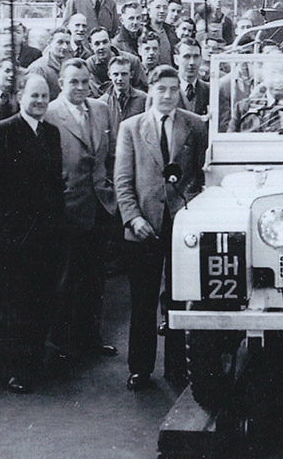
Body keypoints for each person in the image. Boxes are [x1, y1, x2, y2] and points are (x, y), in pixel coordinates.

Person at [0, 74, 67, 393]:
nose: (40, 101)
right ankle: (14, 370)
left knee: (41, 300)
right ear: (20, 96)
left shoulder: (50, 133)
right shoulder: (0, 132)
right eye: (34, 96)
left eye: (44, 96)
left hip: (46, 236)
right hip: (11, 238)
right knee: (14, 304)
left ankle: (34, 362)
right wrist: (7, 224)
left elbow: (54, 185)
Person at [115, 65, 208, 390]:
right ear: (151, 90)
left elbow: (200, 174)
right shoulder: (131, 128)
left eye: (173, 89)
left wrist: (191, 208)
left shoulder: (194, 125)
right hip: (144, 226)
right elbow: (123, 181)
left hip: (182, 226)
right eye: (162, 89)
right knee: (142, 300)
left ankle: (177, 368)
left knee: (180, 297)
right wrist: (133, 217)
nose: (168, 96)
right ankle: (140, 368)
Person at [44, 58, 119, 360]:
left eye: (84, 81)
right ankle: (62, 343)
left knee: (94, 278)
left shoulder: (100, 109)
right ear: (61, 83)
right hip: (68, 208)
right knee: (65, 279)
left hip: (99, 206)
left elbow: (109, 153)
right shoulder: (50, 115)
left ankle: (91, 337)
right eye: (73, 81)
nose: (79, 87)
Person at [97, 56, 148, 172]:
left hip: (138, 161)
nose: (120, 79)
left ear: (131, 74)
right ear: (109, 75)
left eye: (124, 74)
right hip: (112, 164)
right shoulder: (101, 104)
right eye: (116, 74)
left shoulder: (143, 99)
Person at [86, 26, 147, 95]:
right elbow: (96, 92)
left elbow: (143, 87)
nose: (101, 47)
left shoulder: (132, 61)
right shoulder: (89, 65)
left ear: (110, 42)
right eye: (97, 44)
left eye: (105, 42)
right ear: (91, 46)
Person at [27, 27, 74, 101]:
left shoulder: (70, 65)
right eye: (60, 42)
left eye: (67, 43)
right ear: (49, 43)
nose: (64, 47)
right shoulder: (38, 68)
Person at [173, 38, 210, 116]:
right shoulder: (167, 89)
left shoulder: (208, 90)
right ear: (176, 60)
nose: (192, 62)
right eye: (186, 57)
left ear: (201, 59)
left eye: (196, 57)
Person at [146, 0, 176, 67]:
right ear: (149, 10)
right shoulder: (143, 32)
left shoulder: (171, 32)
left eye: (165, 8)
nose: (162, 11)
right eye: (158, 7)